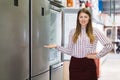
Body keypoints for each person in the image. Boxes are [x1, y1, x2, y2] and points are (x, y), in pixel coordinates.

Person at [44, 8, 113, 80]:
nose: (83, 19)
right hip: (75, 64)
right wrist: (56, 46)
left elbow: (109, 45)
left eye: (85, 17)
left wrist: (96, 56)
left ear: (89, 18)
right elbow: (69, 51)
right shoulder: (72, 32)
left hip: (88, 64)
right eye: (81, 17)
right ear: (78, 18)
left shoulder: (95, 31)